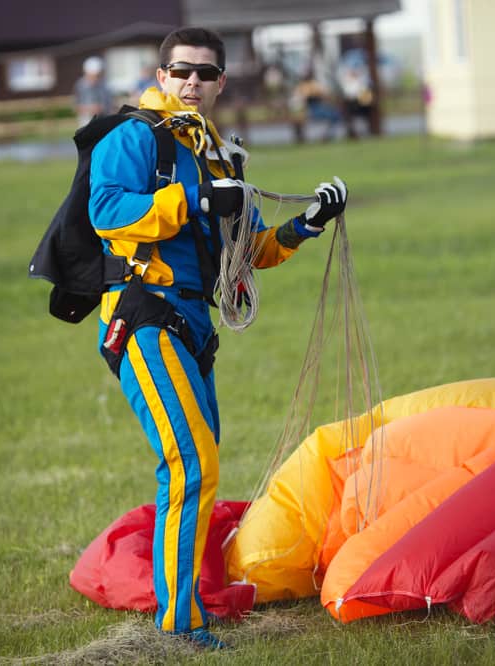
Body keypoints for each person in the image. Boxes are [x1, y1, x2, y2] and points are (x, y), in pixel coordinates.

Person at [87, 27, 347, 649]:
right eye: (180, 72)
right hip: (144, 314)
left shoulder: (221, 158)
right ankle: (179, 623)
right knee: (191, 460)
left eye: (204, 74)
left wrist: (308, 224)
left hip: (197, 328)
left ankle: (188, 597)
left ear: (221, 82)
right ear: (161, 76)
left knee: (201, 464)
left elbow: (248, 252)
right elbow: (107, 212)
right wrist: (193, 198)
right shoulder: (131, 139)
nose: (191, 83)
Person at [73, 56, 113, 127]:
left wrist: (102, 108)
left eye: (98, 75)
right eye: (94, 75)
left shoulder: (104, 85)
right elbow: (76, 106)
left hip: (103, 120)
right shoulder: (80, 86)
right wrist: (90, 108)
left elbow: (109, 105)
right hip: (86, 122)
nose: (96, 78)